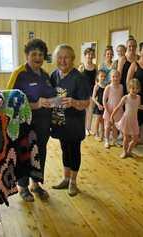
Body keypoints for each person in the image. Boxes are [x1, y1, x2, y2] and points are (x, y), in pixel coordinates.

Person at [6, 39, 56, 201]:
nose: (37, 57)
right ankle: (23, 186)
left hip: (43, 125)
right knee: (24, 155)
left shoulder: (46, 75)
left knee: (39, 154)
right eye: (34, 54)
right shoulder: (19, 73)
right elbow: (9, 100)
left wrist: (57, 101)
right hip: (25, 125)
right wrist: (35, 104)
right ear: (27, 55)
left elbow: (51, 97)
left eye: (41, 54)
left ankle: (36, 184)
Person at [50, 44, 90, 196]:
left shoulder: (79, 78)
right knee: (64, 150)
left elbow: (86, 102)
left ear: (72, 59)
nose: (62, 60)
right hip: (60, 122)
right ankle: (65, 179)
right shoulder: (54, 75)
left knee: (74, 151)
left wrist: (73, 102)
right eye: (59, 57)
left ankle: (73, 182)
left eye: (66, 57)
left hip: (74, 123)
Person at [111, 79, 143, 158]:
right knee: (126, 138)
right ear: (129, 88)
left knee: (135, 138)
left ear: (139, 89)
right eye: (133, 88)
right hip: (126, 120)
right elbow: (118, 107)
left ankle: (129, 151)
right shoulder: (126, 98)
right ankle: (124, 152)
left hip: (134, 120)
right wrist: (112, 116)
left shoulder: (138, 97)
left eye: (136, 88)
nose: (134, 90)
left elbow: (139, 106)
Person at [78, 47, 97, 136]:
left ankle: (88, 128)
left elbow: (96, 79)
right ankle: (82, 127)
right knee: (83, 111)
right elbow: (77, 80)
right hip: (83, 92)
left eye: (91, 54)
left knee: (90, 111)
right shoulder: (82, 66)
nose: (90, 56)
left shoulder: (95, 66)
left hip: (92, 92)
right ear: (85, 55)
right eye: (88, 54)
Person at [102, 69, 123, 149]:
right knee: (107, 126)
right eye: (113, 77)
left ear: (120, 77)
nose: (115, 78)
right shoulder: (108, 87)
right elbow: (104, 101)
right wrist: (108, 111)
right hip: (109, 109)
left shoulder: (121, 87)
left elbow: (120, 98)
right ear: (110, 78)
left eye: (117, 77)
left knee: (115, 126)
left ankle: (114, 140)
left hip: (118, 110)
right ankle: (107, 140)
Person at [91, 70, 107, 141]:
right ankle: (96, 133)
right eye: (101, 76)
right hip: (98, 105)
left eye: (104, 76)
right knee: (97, 120)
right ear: (98, 77)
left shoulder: (106, 86)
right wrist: (98, 105)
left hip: (104, 105)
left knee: (102, 120)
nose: (103, 78)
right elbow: (93, 97)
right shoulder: (96, 86)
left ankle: (102, 134)